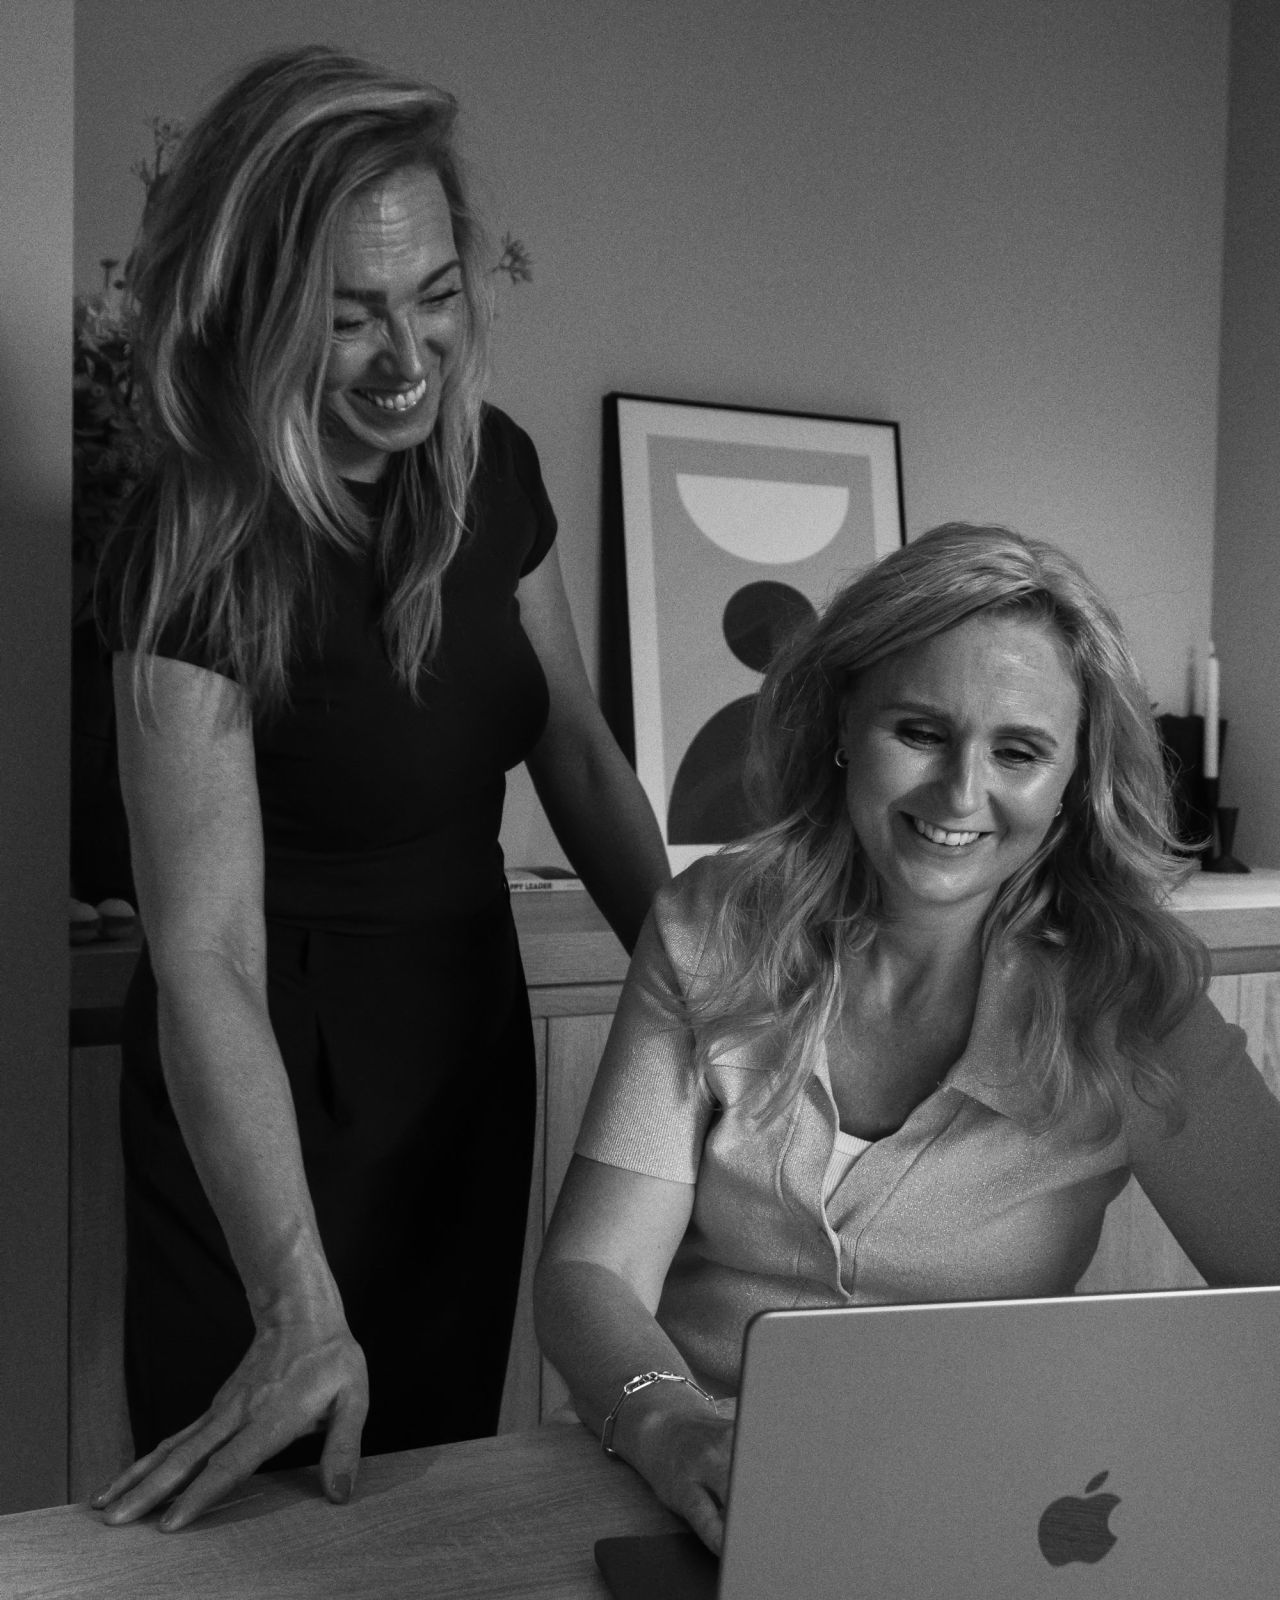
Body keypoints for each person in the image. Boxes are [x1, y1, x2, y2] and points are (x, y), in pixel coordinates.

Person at [91, 45, 669, 1532]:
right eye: (348, 318)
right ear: (254, 309)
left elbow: (577, 753)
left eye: (435, 298)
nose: (407, 359)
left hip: (460, 1054)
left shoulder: (494, 471)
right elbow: (205, 952)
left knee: (426, 1506)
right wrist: (292, 1295)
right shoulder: (195, 546)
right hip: (268, 1081)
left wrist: (714, 1005)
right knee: (267, 1521)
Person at [535, 522, 1280, 1555]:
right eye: (921, 732)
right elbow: (594, 1269)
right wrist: (669, 1424)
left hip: (992, 1509)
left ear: (1073, 777)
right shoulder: (711, 924)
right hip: (684, 1489)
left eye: (1018, 751)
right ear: (844, 719)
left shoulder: (1130, 998)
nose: (960, 794)